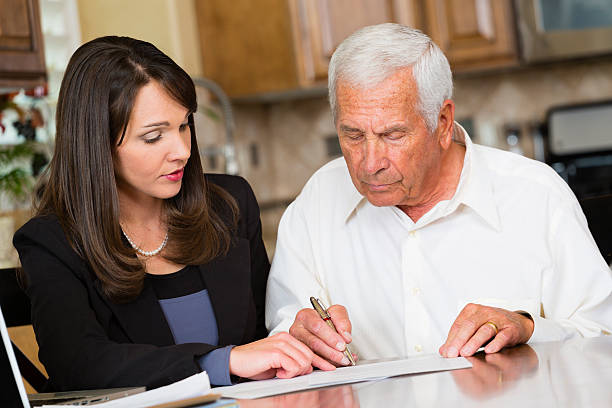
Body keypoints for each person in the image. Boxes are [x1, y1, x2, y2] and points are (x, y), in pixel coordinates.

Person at [266, 23, 612, 366]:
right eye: (353, 135)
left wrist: (527, 328)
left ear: (444, 122)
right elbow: (282, 340)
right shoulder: (317, 202)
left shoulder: (535, 195)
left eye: (393, 135)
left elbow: (602, 337)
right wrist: (298, 339)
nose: (370, 164)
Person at [13, 36, 331, 391]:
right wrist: (219, 363)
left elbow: (265, 333)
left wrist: (297, 333)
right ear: (96, 145)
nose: (181, 150)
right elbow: (77, 365)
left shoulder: (230, 205)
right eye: (153, 137)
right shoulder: (51, 242)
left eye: (184, 126)